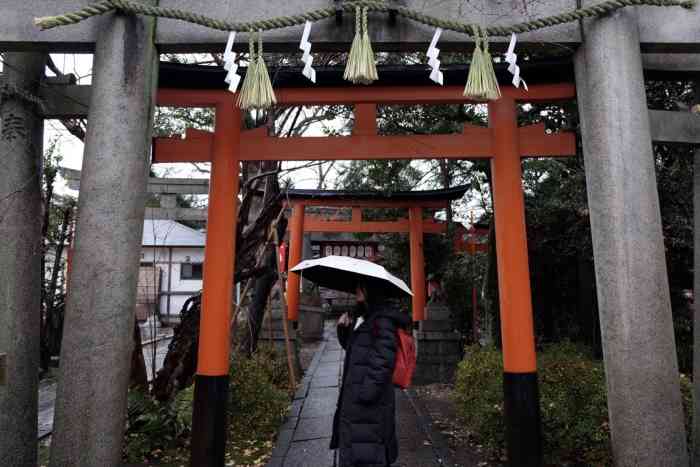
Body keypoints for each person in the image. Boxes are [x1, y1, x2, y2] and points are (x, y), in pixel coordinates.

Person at [330, 277, 411, 467]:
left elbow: (384, 359)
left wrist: (365, 394)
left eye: (361, 287)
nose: (357, 291)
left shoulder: (382, 320)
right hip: (357, 403)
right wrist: (344, 330)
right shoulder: (366, 316)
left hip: (369, 405)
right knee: (358, 452)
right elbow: (357, 351)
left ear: (371, 290)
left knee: (367, 454)